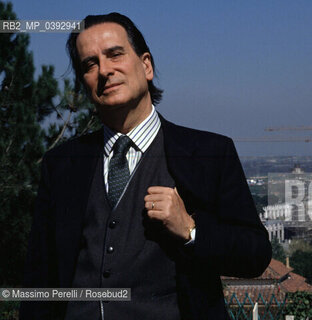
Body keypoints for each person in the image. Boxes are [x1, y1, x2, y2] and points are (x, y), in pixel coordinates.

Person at [20, 12, 271, 320]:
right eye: (90, 64)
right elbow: (40, 279)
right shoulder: (61, 165)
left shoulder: (209, 153)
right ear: (84, 84)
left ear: (146, 65)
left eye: (115, 54)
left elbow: (255, 254)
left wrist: (191, 229)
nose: (104, 71)